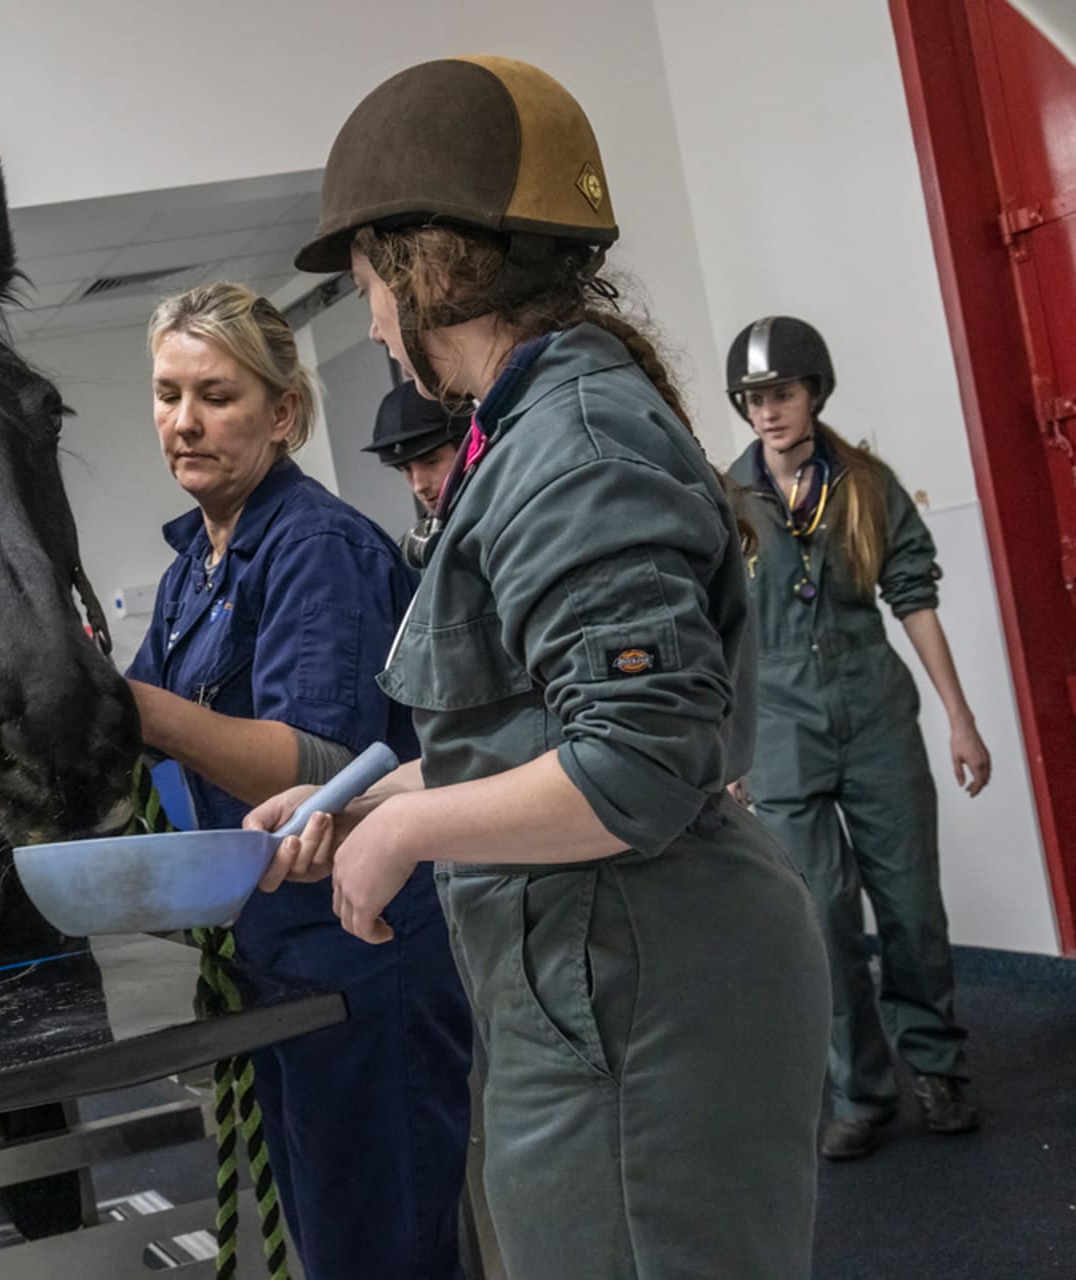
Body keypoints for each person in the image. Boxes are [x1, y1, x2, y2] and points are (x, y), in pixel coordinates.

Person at [256, 57, 831, 1279]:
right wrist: (385, 797)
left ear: (432, 266)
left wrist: (406, 838)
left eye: (367, 285)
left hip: (638, 988)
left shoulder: (568, 447)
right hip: (590, 977)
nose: (368, 320)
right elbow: (543, 724)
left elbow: (641, 759)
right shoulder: (532, 429)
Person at [125, 282, 472, 1279]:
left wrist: (131, 708)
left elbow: (315, 760)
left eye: (217, 395)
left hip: (360, 951)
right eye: (167, 392)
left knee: (379, 1248)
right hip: (273, 947)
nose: (184, 420)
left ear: (282, 413)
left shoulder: (314, 546)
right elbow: (139, 731)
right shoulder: (198, 562)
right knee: (329, 1239)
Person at [724, 315, 989, 1160]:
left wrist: (961, 717)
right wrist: (729, 751)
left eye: (784, 394)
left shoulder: (868, 485)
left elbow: (913, 596)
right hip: (782, 737)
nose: (769, 412)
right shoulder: (725, 503)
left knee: (911, 903)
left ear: (815, 394)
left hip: (875, 719)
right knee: (823, 918)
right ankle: (859, 1090)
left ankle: (938, 1068)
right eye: (756, 399)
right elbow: (719, 630)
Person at [365, 379, 474, 567]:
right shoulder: (422, 547)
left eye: (431, 462)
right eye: (406, 469)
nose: (419, 485)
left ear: (468, 449)